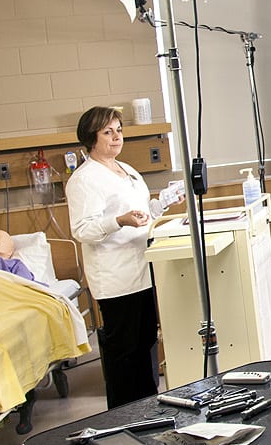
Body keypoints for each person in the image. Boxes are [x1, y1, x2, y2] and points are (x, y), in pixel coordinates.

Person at [66, 106, 185, 409]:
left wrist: (163, 204)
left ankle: (148, 408)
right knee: (125, 353)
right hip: (115, 278)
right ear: (91, 137)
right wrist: (118, 221)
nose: (116, 136)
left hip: (142, 270)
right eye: (108, 132)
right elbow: (82, 229)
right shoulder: (84, 179)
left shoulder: (126, 170)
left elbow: (141, 214)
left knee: (145, 343)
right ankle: (124, 415)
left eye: (119, 130)